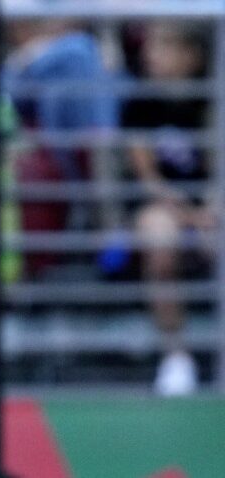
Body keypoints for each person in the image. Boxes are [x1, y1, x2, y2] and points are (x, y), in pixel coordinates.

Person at [121, 21, 213, 396]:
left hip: (208, 203)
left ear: (192, 57)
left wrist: (211, 208)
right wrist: (187, 213)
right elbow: (147, 176)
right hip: (160, 206)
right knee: (159, 238)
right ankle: (176, 357)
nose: (150, 55)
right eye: (150, 47)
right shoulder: (139, 103)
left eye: (163, 47)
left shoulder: (212, 97)